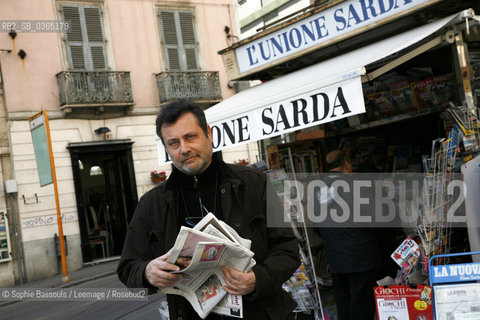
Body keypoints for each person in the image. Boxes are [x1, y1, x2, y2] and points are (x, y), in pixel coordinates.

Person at [117, 99, 300, 320]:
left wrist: (257, 279)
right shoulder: (151, 203)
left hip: (258, 312)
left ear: (209, 134)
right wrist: (147, 273)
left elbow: (287, 249)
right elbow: (127, 267)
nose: (184, 149)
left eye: (190, 137)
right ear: (166, 149)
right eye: (174, 143)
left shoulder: (254, 183)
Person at [315, 150, 384, 320]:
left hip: (336, 259)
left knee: (343, 304)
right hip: (361, 258)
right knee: (361, 306)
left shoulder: (317, 190)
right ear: (346, 164)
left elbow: (315, 225)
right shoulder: (357, 186)